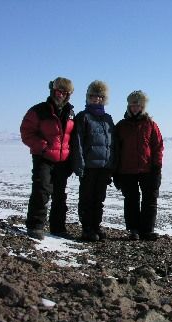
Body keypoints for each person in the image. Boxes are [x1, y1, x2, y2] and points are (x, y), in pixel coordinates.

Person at [20, 77, 75, 239]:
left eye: (65, 93)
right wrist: (43, 148)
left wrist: (70, 155)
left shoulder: (70, 112)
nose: (61, 95)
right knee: (41, 190)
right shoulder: (39, 110)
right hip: (43, 157)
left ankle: (58, 227)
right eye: (59, 91)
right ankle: (35, 225)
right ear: (52, 91)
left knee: (60, 194)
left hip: (62, 160)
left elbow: (72, 136)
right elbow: (26, 132)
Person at [114, 90, 164, 241]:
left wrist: (157, 167)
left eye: (138, 105)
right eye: (132, 105)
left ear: (143, 107)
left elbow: (158, 147)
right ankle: (133, 229)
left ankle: (147, 230)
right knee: (131, 200)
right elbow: (116, 149)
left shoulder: (151, 125)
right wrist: (115, 171)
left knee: (150, 199)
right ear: (128, 106)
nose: (135, 108)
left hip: (147, 169)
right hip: (126, 170)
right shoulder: (121, 126)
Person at [71, 80, 116, 242]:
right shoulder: (83, 117)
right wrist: (80, 164)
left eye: (99, 96)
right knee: (87, 198)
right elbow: (77, 143)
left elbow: (112, 143)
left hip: (104, 167)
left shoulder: (107, 119)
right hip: (89, 166)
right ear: (87, 97)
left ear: (104, 99)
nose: (96, 99)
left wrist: (112, 165)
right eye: (92, 96)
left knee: (99, 199)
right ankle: (87, 228)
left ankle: (96, 226)